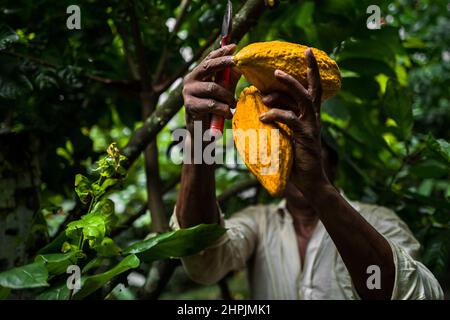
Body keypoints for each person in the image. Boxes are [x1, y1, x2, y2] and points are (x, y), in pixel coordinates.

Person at [172, 43, 443, 299]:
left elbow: (417, 293)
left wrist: (317, 187)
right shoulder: (259, 223)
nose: (289, 152)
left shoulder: (378, 221)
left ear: (332, 163)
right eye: (280, 139)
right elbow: (202, 259)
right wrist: (198, 134)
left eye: (301, 141)